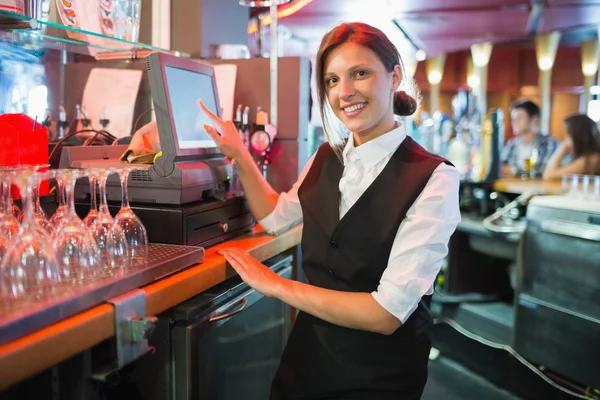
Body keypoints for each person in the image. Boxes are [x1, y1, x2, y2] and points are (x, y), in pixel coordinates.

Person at [199, 21, 460, 400]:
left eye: (360, 73)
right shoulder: (326, 156)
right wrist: (239, 153)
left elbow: (386, 314)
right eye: (332, 80)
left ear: (395, 76)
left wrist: (277, 285)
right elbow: (274, 216)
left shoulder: (434, 177)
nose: (345, 92)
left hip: (379, 374)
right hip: (307, 359)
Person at [501, 99, 558, 177]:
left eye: (520, 118)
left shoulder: (549, 143)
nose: (514, 122)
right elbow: (501, 167)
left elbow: (546, 171)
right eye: (513, 119)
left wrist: (514, 170)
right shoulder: (512, 144)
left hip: (538, 188)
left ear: (534, 119)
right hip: (510, 188)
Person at [543, 113, 600, 179]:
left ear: (577, 136)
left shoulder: (589, 160)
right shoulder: (590, 157)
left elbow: (549, 175)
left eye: (568, 136)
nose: (565, 141)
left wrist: (561, 150)